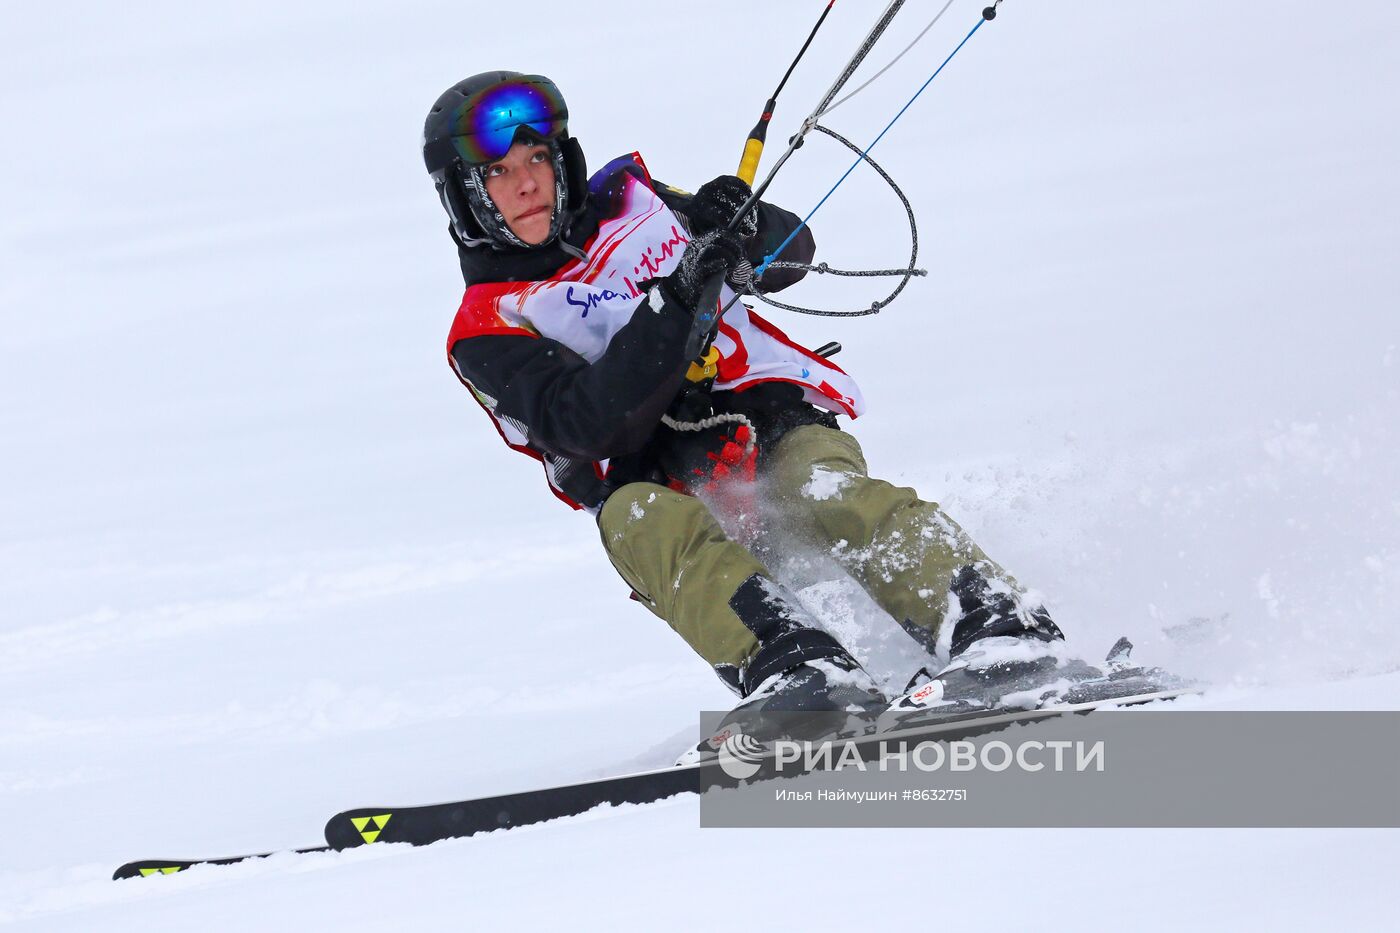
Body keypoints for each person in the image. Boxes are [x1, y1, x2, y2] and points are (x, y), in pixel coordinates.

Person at [423, 71, 1064, 728]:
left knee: (818, 488)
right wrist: (672, 301)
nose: (528, 183)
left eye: (538, 159)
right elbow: (590, 424)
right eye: (498, 172)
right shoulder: (487, 329)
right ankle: (802, 675)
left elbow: (793, 254)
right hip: (668, 492)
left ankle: (1001, 633)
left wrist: (746, 227)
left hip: (772, 424)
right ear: (464, 197)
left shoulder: (632, 201)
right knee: (633, 518)